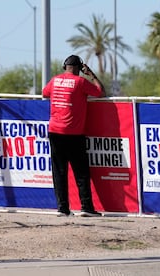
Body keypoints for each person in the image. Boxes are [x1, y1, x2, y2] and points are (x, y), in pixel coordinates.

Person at [42, 54, 105, 217]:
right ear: (79, 69)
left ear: (65, 67)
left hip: (55, 132)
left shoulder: (55, 80)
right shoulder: (81, 82)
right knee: (81, 172)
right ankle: (86, 207)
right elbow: (101, 92)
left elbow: (44, 93)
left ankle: (62, 208)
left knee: (59, 172)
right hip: (74, 133)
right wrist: (91, 75)